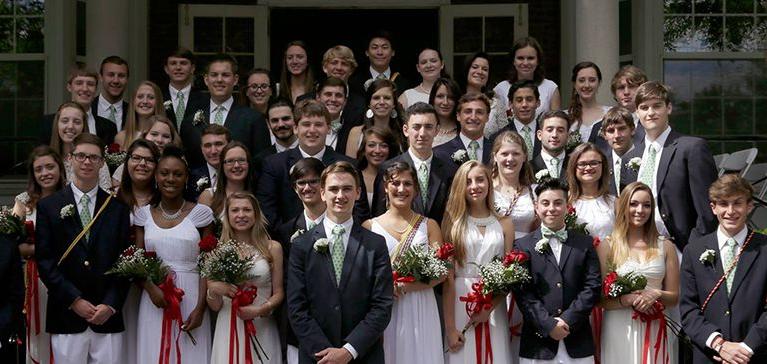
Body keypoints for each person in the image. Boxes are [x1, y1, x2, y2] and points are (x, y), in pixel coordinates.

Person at [36, 133, 132, 363]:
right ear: (70, 158)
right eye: (81, 156)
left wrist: (110, 304)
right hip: (67, 313)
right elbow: (45, 262)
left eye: (93, 157)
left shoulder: (117, 208)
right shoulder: (49, 207)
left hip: (106, 317)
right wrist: (74, 300)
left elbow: (125, 262)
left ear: (102, 163)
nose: (87, 162)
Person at [287, 161, 393, 363]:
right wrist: (324, 352)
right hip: (316, 356)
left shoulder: (375, 244)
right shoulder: (302, 245)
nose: (340, 196)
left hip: (363, 355)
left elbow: (382, 305)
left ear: (358, 193)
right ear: (322, 193)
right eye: (333, 189)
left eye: (347, 189)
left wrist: (348, 351)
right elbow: (296, 307)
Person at [134, 145, 213, 364]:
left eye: (177, 174)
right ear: (156, 177)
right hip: (154, 298)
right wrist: (151, 289)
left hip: (191, 295)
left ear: (186, 178)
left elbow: (207, 263)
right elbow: (137, 262)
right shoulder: (143, 216)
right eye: (164, 173)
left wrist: (201, 308)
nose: (170, 179)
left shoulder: (202, 214)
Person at [620, 81, 717, 253]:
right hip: (638, 249)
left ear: (669, 108)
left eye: (657, 106)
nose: (650, 113)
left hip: (681, 248)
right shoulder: (630, 158)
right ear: (637, 112)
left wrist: (694, 250)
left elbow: (707, 210)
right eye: (644, 107)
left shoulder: (691, 149)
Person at [363, 162, 445, 363]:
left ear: (416, 189)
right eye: (395, 183)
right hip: (385, 307)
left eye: (407, 184)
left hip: (422, 305)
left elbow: (442, 271)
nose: (401, 189)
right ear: (385, 187)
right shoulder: (369, 226)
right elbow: (363, 275)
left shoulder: (429, 225)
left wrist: (406, 286)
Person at [680, 174, 767, 363]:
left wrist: (745, 349)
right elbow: (688, 309)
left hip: (755, 355)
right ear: (713, 208)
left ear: (749, 206)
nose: (730, 211)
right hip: (709, 355)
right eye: (723, 204)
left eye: (737, 203)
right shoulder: (693, 251)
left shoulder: (764, 248)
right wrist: (720, 345)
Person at [513, 178, 601, 363]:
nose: (551, 208)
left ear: (567, 206)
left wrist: (568, 320)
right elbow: (523, 293)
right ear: (536, 207)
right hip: (538, 343)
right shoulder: (522, 245)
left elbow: (592, 286)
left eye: (558, 203)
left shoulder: (584, 243)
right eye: (545, 203)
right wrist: (548, 324)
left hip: (577, 341)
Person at [599, 182, 679, 363]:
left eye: (647, 205)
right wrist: (626, 299)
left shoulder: (666, 246)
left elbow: (674, 298)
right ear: (623, 206)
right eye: (633, 204)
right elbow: (600, 300)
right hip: (620, 326)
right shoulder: (608, 246)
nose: (640, 210)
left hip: (655, 323)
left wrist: (656, 293)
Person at [443, 161, 514, 363]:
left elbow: (509, 274)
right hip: (460, 300)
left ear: (489, 183)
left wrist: (490, 306)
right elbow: (448, 280)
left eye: (480, 180)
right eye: (468, 181)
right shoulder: (453, 222)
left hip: (493, 303)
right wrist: (450, 328)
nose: (475, 186)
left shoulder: (505, 223)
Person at [257, 99, 369, 228]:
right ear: (295, 128)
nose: (312, 130)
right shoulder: (274, 165)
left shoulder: (349, 165)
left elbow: (360, 211)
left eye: (318, 124)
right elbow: (267, 211)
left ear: (328, 128)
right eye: (306, 124)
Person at [208, 192, 283, 364]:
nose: (241, 215)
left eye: (247, 210)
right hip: (228, 326)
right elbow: (215, 306)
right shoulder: (218, 252)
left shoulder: (273, 248)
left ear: (256, 214)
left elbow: (278, 292)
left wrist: (261, 310)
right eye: (235, 210)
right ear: (227, 216)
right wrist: (215, 289)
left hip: (261, 323)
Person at [12, 146, 66, 364]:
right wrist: (42, 249)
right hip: (34, 279)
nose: (45, 173)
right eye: (39, 169)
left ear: (60, 169)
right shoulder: (23, 202)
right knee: (38, 332)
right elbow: (11, 245)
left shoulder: (70, 197)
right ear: (33, 174)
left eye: (50, 167)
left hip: (64, 278)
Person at [274, 158, 327, 364]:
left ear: (323, 185)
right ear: (295, 189)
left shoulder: (343, 226)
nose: (307, 187)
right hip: (300, 330)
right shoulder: (286, 231)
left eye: (313, 181)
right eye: (301, 183)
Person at [179, 53, 270, 169]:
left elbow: (262, 162)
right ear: (206, 80)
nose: (219, 80)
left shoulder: (253, 119)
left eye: (225, 75)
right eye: (214, 75)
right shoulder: (189, 122)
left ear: (235, 79)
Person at [114, 139, 160, 364]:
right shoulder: (112, 200)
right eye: (136, 158)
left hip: (156, 284)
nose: (142, 164)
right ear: (127, 162)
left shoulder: (165, 201)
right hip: (123, 287)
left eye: (149, 160)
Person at [372, 103, 455, 222]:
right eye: (416, 127)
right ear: (406, 130)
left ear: (437, 130)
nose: (422, 133)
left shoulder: (449, 170)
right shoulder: (387, 168)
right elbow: (378, 216)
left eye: (428, 127)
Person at [39, 65, 117, 145]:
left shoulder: (109, 127)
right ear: (69, 87)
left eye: (90, 84)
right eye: (79, 83)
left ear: (96, 90)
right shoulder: (47, 123)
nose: (85, 89)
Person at [49, 102, 113, 191]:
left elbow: (106, 197)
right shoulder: (48, 160)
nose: (70, 126)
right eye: (65, 121)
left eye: (77, 122)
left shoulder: (95, 160)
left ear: (83, 126)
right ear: (57, 125)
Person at [494, 37, 560, 119]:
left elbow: (556, 122)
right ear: (513, 61)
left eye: (530, 58)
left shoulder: (550, 88)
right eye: (520, 58)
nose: (525, 63)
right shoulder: (500, 89)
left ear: (538, 61)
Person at [491, 131, 537, 237]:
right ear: (495, 156)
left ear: (524, 157)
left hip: (526, 250)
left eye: (516, 154)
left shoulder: (535, 192)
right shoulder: (486, 190)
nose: (510, 159)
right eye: (504, 154)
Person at [566, 143, 616, 240]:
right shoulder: (565, 201)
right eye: (582, 164)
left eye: (594, 163)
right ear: (574, 167)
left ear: (603, 166)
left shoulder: (615, 203)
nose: (588, 168)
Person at [112, 115, 181, 185]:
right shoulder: (129, 164)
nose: (160, 140)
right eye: (154, 134)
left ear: (172, 140)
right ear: (145, 136)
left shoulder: (179, 164)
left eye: (166, 136)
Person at [345, 78, 405, 158]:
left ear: (394, 103)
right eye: (376, 98)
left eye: (387, 98)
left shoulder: (403, 133)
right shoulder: (356, 133)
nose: (382, 102)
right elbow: (350, 167)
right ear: (369, 104)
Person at [434, 93, 493, 167]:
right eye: (468, 111)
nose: (473, 117)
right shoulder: (440, 153)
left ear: (487, 117)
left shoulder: (497, 151)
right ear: (458, 116)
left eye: (479, 112)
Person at [459, 52, 509, 138]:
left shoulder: (496, 104)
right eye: (475, 67)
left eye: (485, 69)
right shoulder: (455, 100)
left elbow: (505, 136)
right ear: (466, 70)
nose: (480, 72)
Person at [348, 30, 411, 97]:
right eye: (374, 47)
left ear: (393, 52)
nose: (380, 52)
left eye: (384, 47)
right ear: (367, 52)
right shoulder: (355, 83)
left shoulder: (404, 84)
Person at [491, 80, 542, 161]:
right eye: (519, 100)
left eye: (529, 99)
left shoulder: (548, 134)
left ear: (538, 103)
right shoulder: (497, 137)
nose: (524, 104)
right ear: (510, 104)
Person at [199, 142, 253, 217]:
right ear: (222, 166)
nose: (236, 165)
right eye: (230, 161)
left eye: (241, 160)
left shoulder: (260, 195)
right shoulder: (209, 196)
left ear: (248, 164)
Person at [162, 47, 207, 131]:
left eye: (183, 63)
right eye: (173, 63)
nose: (178, 67)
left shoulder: (205, 101)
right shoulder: (158, 98)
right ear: (166, 69)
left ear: (192, 68)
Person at [567, 62, 610, 146]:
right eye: (581, 80)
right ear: (574, 84)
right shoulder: (566, 116)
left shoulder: (609, 113)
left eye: (592, 80)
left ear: (599, 83)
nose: (587, 85)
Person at [253, 98, 298, 178]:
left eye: (285, 119)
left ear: (295, 119)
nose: (280, 124)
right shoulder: (261, 160)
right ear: (268, 123)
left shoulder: (310, 151)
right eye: (275, 120)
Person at [115, 80, 166, 150]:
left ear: (158, 102)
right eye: (140, 97)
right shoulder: (121, 137)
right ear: (133, 101)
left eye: (151, 97)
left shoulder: (165, 136)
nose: (145, 101)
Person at [357, 127, 398, 208]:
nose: (377, 151)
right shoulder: (355, 178)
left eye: (383, 146)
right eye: (371, 145)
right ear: (363, 149)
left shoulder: (398, 179)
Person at [601, 106, 637, 195]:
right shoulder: (601, 163)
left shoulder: (645, 157)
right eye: (611, 131)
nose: (616, 135)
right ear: (604, 135)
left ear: (632, 130)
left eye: (622, 128)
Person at [188, 124, 231, 200]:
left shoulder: (239, 173)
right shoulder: (191, 178)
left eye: (218, 144)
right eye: (208, 145)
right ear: (201, 149)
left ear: (229, 145)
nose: (213, 151)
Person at [610, 65, 647, 143]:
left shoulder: (652, 124)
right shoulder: (599, 126)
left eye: (631, 86)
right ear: (614, 94)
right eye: (621, 87)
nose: (626, 92)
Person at [315, 77, 355, 151]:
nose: (333, 99)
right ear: (318, 98)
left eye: (338, 95)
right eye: (328, 94)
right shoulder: (307, 127)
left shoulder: (352, 132)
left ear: (345, 101)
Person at [92, 56, 130, 132]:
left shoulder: (133, 112)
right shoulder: (88, 108)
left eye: (121, 76)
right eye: (111, 75)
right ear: (101, 77)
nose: (116, 80)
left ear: (127, 80)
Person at [532, 111, 570, 182]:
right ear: (539, 135)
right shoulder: (528, 169)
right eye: (549, 130)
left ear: (568, 136)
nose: (554, 135)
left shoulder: (576, 166)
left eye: (560, 130)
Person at [429, 77, 461, 147]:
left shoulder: (464, 129)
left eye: (450, 97)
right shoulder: (424, 128)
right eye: (440, 96)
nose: (445, 102)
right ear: (433, 99)